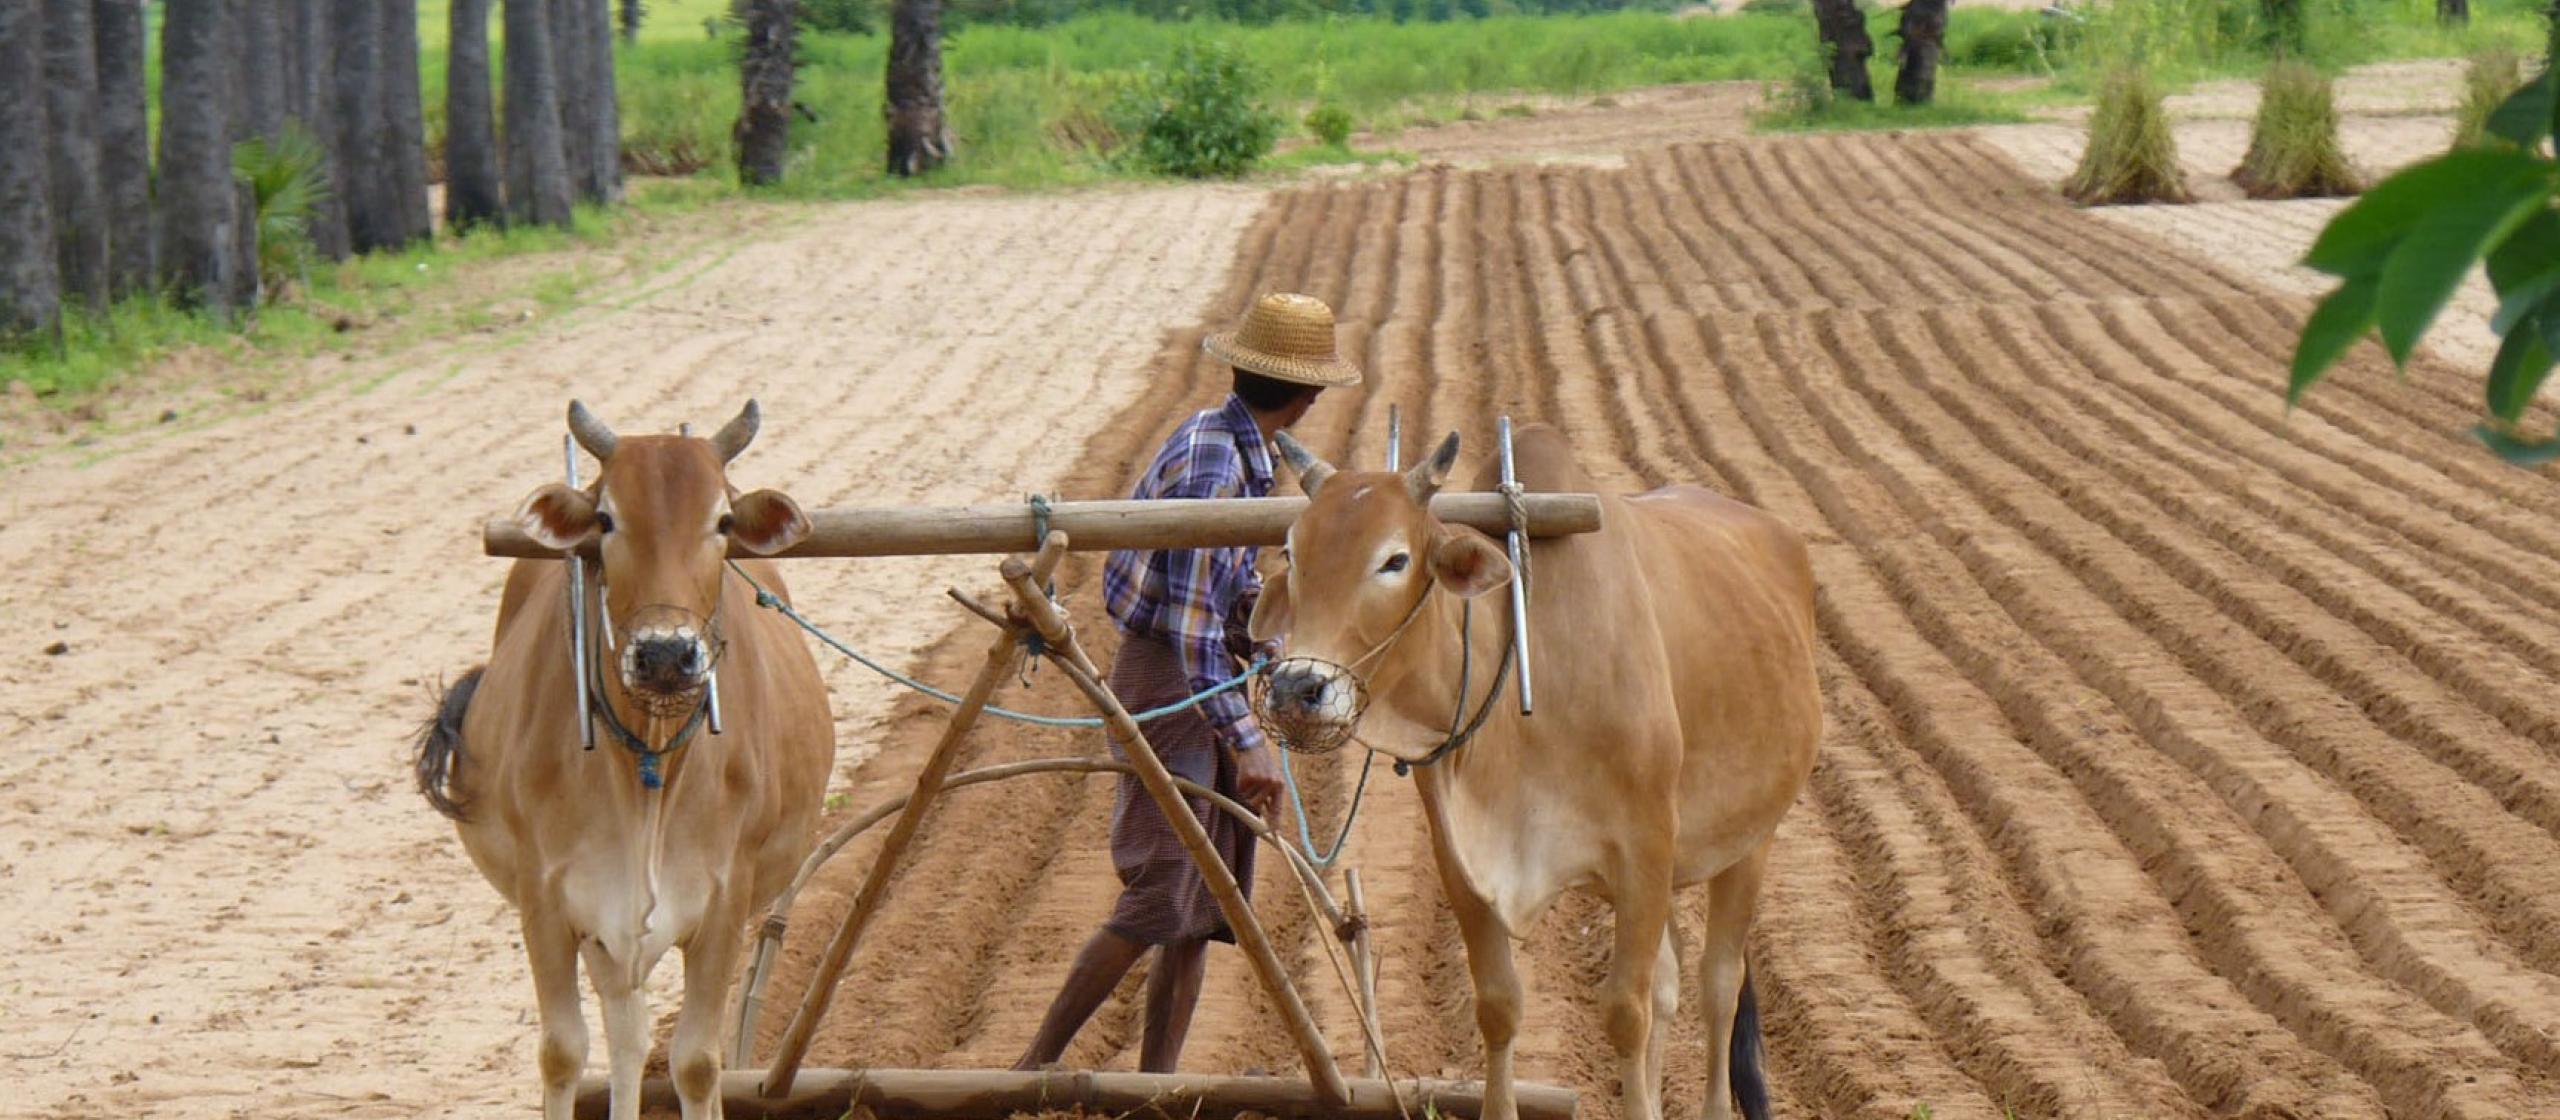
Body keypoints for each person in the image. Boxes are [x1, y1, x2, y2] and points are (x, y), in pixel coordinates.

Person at [1013, 292, 1361, 1073]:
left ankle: (1157, 1088)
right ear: (1308, 395)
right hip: (1170, 673)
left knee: (1205, 903)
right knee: (1165, 888)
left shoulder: (1243, 449)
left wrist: (1269, 660)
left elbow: (1227, 598)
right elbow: (1196, 625)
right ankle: (1029, 1069)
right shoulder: (1215, 458)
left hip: (1203, 669)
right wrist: (1249, 745)